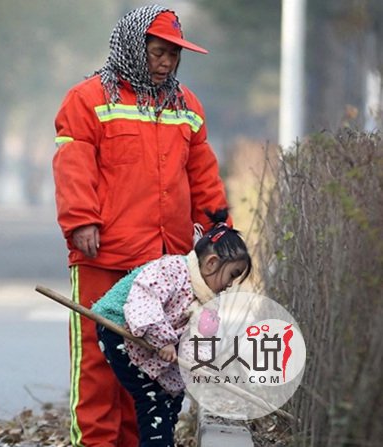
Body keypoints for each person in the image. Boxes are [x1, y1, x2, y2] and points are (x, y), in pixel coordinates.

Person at [52, 5, 232, 446]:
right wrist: (81, 222)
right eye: (158, 52)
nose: (166, 62)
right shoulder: (88, 99)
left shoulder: (187, 106)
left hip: (161, 265)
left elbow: (202, 174)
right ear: (134, 48)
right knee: (97, 364)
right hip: (104, 256)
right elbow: (73, 164)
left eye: (173, 55)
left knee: (149, 363)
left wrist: (219, 232)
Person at [92, 209, 252, 446]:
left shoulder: (208, 303)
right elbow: (144, 302)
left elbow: (201, 339)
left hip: (155, 342)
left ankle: (163, 440)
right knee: (152, 398)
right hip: (120, 330)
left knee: (171, 396)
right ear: (211, 263)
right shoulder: (172, 270)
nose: (230, 284)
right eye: (232, 275)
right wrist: (164, 340)